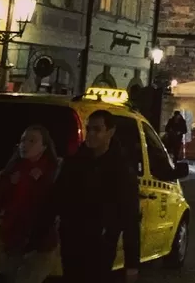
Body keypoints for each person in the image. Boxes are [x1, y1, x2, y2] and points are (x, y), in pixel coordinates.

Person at [39, 109, 140, 283]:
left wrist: (131, 263)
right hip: (72, 239)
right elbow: (55, 198)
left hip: (100, 244)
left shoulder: (121, 169)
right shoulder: (75, 162)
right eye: (89, 129)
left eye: (97, 129)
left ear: (110, 131)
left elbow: (130, 216)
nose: (91, 134)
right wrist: (39, 234)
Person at [0, 124, 59, 283]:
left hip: (39, 246)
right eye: (23, 140)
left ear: (44, 147)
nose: (25, 145)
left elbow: (55, 206)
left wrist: (42, 181)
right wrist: (9, 184)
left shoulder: (52, 172)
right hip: (13, 243)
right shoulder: (13, 170)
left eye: (32, 141)